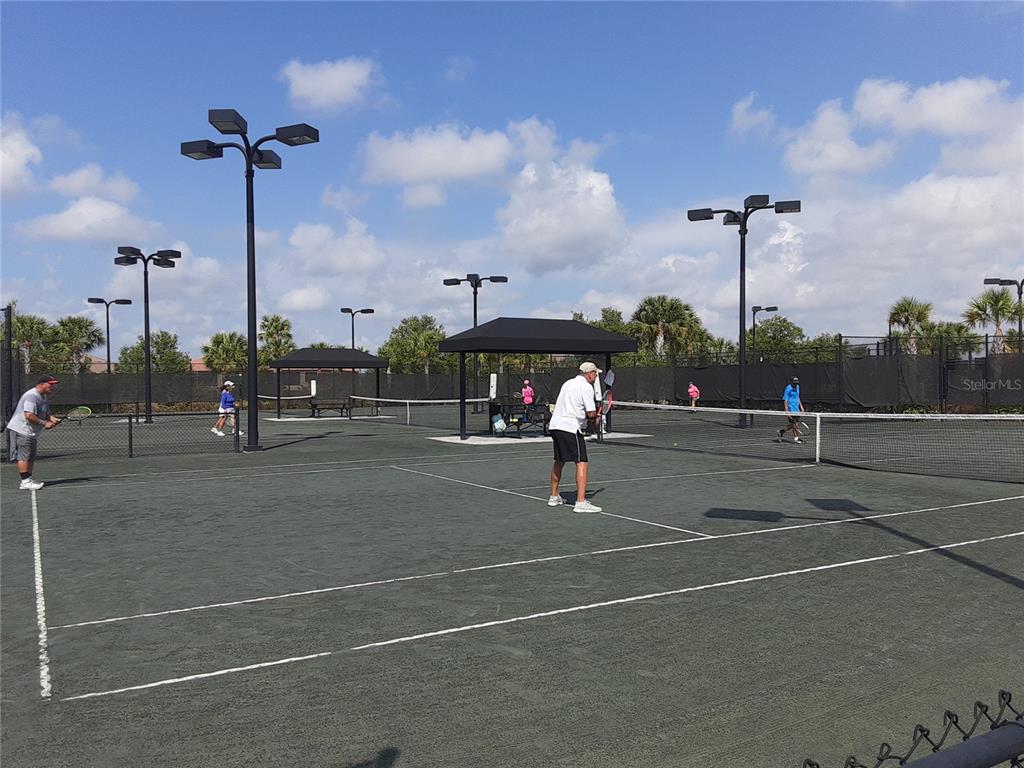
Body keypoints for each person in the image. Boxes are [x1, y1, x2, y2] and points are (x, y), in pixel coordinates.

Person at [547, 362, 603, 514]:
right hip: (570, 428)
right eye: (595, 374)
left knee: (559, 460)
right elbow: (591, 413)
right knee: (582, 462)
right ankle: (581, 502)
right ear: (589, 373)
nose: (596, 376)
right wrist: (595, 419)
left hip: (555, 426)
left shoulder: (568, 383)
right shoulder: (586, 387)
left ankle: (554, 496)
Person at [5, 375, 60, 490]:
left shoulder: (43, 396)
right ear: (41, 384)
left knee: (30, 456)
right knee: (24, 457)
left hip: (31, 432)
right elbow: (29, 415)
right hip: (22, 430)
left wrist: (52, 418)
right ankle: (25, 482)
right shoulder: (31, 396)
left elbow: (45, 412)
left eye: (54, 384)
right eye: (50, 384)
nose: (53, 387)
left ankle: (28, 479)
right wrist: (45, 423)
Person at [778, 376, 804, 443]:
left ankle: (781, 431)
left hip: (797, 409)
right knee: (795, 424)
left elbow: (798, 397)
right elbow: (785, 401)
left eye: (796, 383)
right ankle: (796, 438)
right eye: (794, 383)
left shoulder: (797, 387)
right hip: (791, 409)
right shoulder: (788, 389)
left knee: (794, 425)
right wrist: (787, 412)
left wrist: (801, 406)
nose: (795, 384)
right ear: (791, 382)